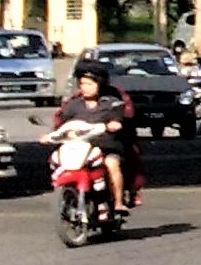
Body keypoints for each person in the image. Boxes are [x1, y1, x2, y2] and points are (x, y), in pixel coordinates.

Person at [55, 62, 140, 221]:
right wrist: (55, 134)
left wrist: (114, 124)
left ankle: (118, 202)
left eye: (90, 84)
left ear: (100, 84)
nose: (85, 88)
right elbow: (61, 121)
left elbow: (120, 117)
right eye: (82, 84)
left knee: (112, 164)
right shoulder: (74, 104)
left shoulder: (112, 102)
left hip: (107, 147)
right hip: (81, 148)